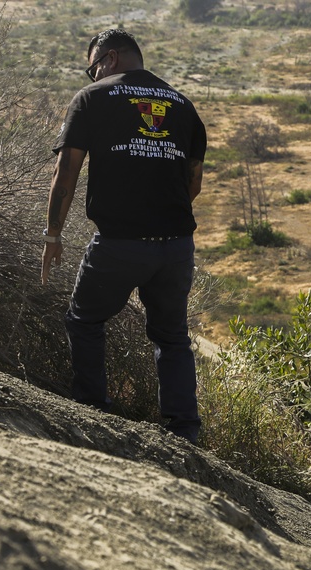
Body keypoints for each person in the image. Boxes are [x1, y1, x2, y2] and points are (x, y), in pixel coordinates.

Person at [41, 29, 206, 444]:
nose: (92, 74)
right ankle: (185, 431)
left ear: (110, 59)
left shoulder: (92, 98)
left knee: (85, 320)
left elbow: (67, 171)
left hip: (119, 243)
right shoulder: (184, 106)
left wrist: (53, 234)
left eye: (93, 66)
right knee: (172, 339)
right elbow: (194, 183)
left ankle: (94, 413)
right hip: (176, 246)